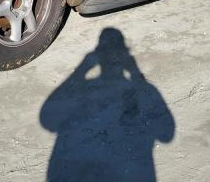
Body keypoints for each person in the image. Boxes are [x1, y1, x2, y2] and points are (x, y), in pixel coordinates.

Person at [40, 28, 175, 182]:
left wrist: (81, 69)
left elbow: (47, 120)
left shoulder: (85, 89)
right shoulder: (141, 89)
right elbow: (166, 135)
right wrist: (135, 71)